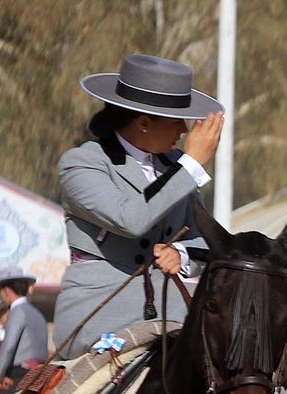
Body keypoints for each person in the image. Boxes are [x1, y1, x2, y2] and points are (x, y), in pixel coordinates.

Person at [53, 53, 224, 358]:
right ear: (143, 122)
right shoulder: (81, 164)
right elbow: (130, 218)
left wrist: (180, 253)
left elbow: (208, 243)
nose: (184, 131)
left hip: (169, 300)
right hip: (99, 308)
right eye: (177, 121)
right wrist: (191, 165)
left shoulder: (175, 166)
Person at [0, 268, 48, 391]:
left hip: (21, 373)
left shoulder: (16, 311)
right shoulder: (37, 313)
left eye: (0, 291)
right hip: (39, 373)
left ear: (6, 291)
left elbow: (9, 347)